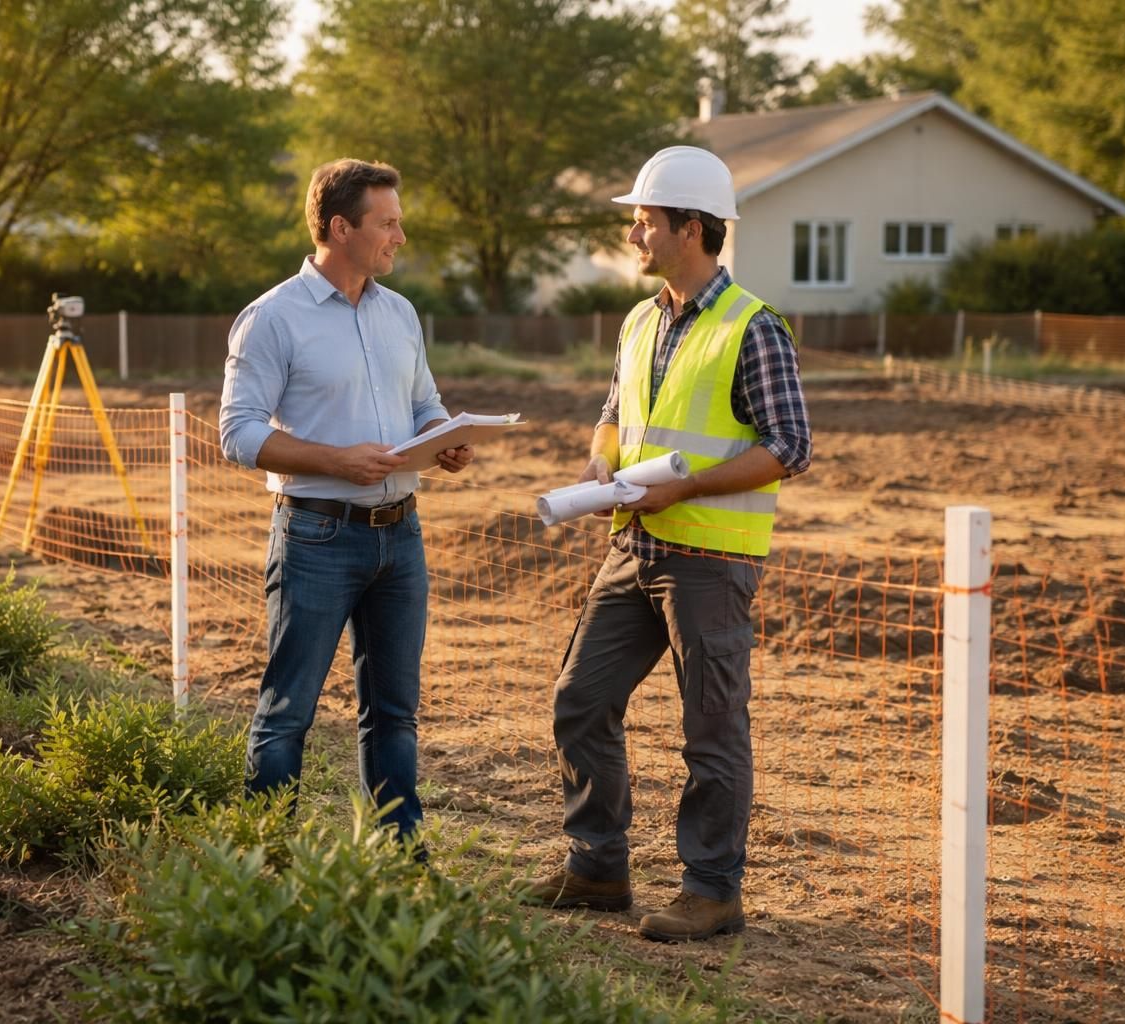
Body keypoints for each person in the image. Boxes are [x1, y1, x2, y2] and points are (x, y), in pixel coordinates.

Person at [524, 147, 812, 941]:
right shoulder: (642, 318)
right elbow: (618, 416)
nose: (633, 232)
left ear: (690, 228)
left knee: (711, 728)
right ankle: (598, 868)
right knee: (580, 700)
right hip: (634, 546)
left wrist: (685, 486)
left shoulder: (754, 328)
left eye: (645, 219)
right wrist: (596, 466)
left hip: (711, 559)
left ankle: (712, 890)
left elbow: (789, 445)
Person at [218, 158, 474, 841]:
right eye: (387, 222)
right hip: (316, 539)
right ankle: (265, 863)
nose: (400, 236)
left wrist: (440, 437)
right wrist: (336, 461)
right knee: (288, 712)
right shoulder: (272, 318)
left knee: (394, 713)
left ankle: (399, 863)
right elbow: (237, 434)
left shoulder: (401, 314)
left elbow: (424, 402)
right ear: (341, 227)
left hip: (403, 538)